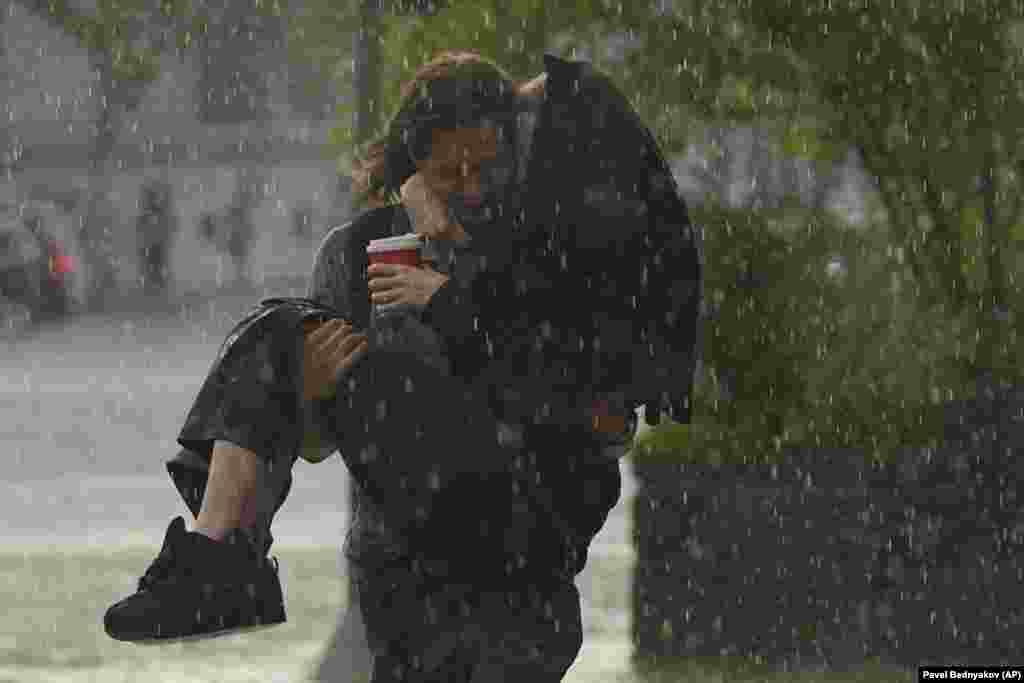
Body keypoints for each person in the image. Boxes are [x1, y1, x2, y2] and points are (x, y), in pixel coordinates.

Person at [105, 49, 701, 682]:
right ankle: (219, 551)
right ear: (415, 167)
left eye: (486, 166)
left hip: (515, 543)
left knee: (281, 329)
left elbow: (559, 394)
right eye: (450, 173)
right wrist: (312, 387)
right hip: (404, 570)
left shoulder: (543, 251)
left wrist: (447, 296)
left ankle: (226, 562)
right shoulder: (359, 253)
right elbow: (311, 443)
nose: (472, 187)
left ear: (516, 152)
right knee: (280, 330)